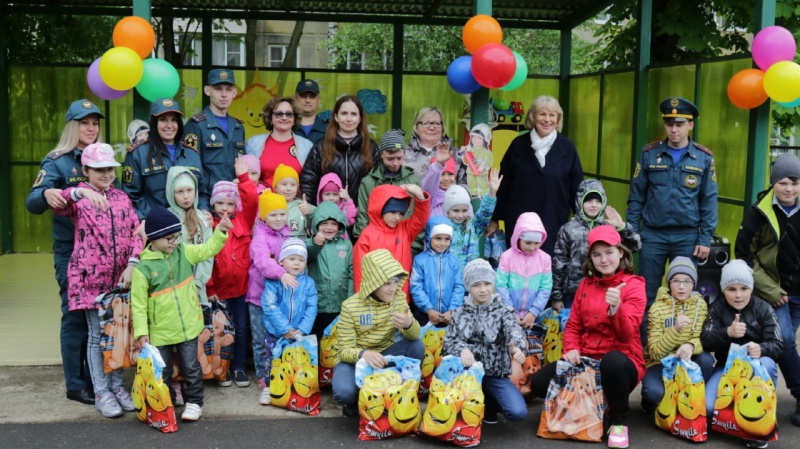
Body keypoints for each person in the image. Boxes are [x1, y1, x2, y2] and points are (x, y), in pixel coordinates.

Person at [530, 225, 646, 449]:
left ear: (621, 252)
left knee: (612, 362)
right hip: (587, 357)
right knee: (539, 383)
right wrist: (571, 349)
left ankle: (619, 421)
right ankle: (595, 403)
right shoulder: (585, 284)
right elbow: (573, 325)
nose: (603, 260)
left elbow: (627, 334)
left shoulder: (634, 284)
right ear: (590, 258)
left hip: (623, 360)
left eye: (609, 252)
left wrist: (616, 308)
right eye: (597, 255)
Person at [52, 143, 142, 418]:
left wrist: (132, 264)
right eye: (99, 169)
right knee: (95, 337)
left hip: (119, 281)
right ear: (86, 170)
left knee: (118, 335)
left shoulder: (122, 198)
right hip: (89, 280)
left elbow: (137, 233)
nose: (106, 174)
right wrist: (80, 192)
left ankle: (116, 387)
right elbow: (60, 203)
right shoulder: (79, 199)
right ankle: (101, 392)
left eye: (110, 169)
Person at [26, 98, 105, 405]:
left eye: (95, 123)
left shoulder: (102, 157)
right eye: (85, 123)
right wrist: (47, 192)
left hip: (101, 253)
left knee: (98, 318)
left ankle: (97, 378)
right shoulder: (57, 161)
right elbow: (32, 202)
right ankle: (76, 384)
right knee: (74, 318)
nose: (91, 128)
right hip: (71, 252)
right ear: (73, 126)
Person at [132, 206, 231, 422]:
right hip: (160, 331)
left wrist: (221, 231)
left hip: (188, 325)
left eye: (177, 236)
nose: (174, 242)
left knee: (191, 367)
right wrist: (141, 332)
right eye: (169, 238)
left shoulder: (184, 251)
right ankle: (165, 404)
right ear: (154, 238)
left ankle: (194, 402)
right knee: (163, 371)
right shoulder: (143, 268)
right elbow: (138, 305)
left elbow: (208, 249)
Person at [626, 97, 718, 318]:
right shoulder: (649, 154)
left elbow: (709, 200)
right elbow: (636, 196)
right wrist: (632, 233)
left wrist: (705, 238)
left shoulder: (703, 158)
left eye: (679, 124)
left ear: (690, 125)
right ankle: (646, 338)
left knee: (683, 294)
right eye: (669, 124)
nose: (674, 130)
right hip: (653, 236)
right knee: (646, 294)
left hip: (687, 237)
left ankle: (680, 339)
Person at [734, 153, 800, 427]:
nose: (789, 189)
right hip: (775, 293)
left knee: (783, 344)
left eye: (795, 183)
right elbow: (743, 255)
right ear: (773, 183)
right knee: (785, 340)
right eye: (783, 183)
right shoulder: (758, 212)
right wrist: (771, 290)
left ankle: (762, 390)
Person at [332, 249, 424, 417]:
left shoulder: (398, 298)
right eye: (386, 283)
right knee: (344, 393)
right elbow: (343, 350)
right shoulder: (350, 306)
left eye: (395, 282)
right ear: (373, 283)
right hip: (357, 358)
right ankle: (356, 401)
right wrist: (364, 354)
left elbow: (414, 336)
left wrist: (408, 324)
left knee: (416, 345)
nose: (393, 288)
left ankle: (400, 393)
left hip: (386, 353)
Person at [700, 260, 782, 448]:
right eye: (732, 289)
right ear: (723, 290)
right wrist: (727, 332)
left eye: (744, 288)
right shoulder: (717, 308)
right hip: (725, 370)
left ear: (751, 288)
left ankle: (759, 421)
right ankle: (735, 416)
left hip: (756, 369)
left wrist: (761, 349)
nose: (738, 295)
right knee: (708, 408)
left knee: (768, 363)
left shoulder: (764, 308)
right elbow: (705, 340)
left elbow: (778, 344)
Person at [488, 95, 584, 255]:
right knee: (519, 266)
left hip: (554, 221)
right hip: (519, 223)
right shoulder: (518, 145)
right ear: (533, 117)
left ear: (558, 119)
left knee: (549, 267)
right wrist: (494, 218)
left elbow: (577, 187)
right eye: (542, 114)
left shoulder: (568, 148)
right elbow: (504, 184)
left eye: (552, 115)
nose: (547, 119)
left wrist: (582, 221)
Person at [443, 259, 528, 424]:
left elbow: (513, 330)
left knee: (517, 412)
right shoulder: (459, 313)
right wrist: (462, 350)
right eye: (476, 285)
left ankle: (489, 405)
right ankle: (470, 408)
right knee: (447, 413)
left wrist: (517, 348)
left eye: (487, 284)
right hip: (466, 375)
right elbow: (448, 342)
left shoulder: (504, 311)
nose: (483, 290)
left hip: (494, 375)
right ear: (468, 287)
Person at [206, 158, 259, 389]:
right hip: (219, 291)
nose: (225, 208)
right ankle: (222, 368)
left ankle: (238, 367)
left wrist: (244, 178)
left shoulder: (244, 220)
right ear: (213, 204)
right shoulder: (208, 225)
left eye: (230, 203)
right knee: (219, 331)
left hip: (242, 289)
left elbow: (252, 198)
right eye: (220, 203)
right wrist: (209, 288)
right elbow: (206, 259)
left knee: (241, 328)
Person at [640, 257, 714, 414]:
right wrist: (675, 330)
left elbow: (702, 338)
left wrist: (690, 345)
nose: (681, 286)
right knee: (653, 393)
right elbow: (655, 353)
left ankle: (692, 398)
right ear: (669, 283)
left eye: (687, 281)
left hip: (688, 358)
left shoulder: (700, 305)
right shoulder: (657, 309)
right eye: (676, 281)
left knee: (706, 360)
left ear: (694, 284)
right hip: (660, 362)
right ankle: (651, 402)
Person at [552, 179, 641, 310]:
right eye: (588, 201)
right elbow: (559, 264)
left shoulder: (610, 226)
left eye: (598, 201)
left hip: (604, 292)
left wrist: (622, 227)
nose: (594, 205)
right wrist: (557, 296)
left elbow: (635, 246)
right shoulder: (568, 229)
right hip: (573, 294)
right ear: (580, 201)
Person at [123, 98, 203, 220]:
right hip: (155, 224)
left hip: (189, 224)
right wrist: (147, 220)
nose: (169, 126)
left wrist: (204, 210)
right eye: (163, 120)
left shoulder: (191, 153)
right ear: (154, 123)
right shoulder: (138, 153)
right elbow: (131, 196)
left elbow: (202, 191)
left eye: (174, 120)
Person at [260, 238, 318, 403]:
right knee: (273, 359)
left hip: (298, 332)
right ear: (281, 261)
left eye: (301, 260)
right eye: (292, 259)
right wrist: (285, 329)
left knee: (294, 360)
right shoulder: (273, 281)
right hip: (275, 331)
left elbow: (311, 307)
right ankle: (269, 387)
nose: (297, 263)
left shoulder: (309, 283)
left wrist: (302, 329)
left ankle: (291, 387)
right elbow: (270, 305)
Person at [246, 192, 291, 402]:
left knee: (278, 335)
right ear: (264, 216)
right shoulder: (260, 237)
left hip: (279, 297)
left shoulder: (286, 235)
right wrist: (281, 273)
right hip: (259, 296)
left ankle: (278, 371)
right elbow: (262, 262)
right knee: (260, 338)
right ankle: (263, 375)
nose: (279, 219)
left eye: (282, 214)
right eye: (273, 215)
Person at [300, 95, 379, 209]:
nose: (348, 119)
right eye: (344, 113)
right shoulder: (321, 146)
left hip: (362, 215)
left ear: (360, 118)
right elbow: (309, 181)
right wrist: (312, 213)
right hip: (328, 216)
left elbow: (378, 184)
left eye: (354, 114)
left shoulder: (371, 147)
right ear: (336, 117)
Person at [183, 68, 246, 210]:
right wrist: (201, 206)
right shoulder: (195, 125)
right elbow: (191, 170)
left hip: (233, 201)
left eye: (228, 89)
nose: (224, 94)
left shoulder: (238, 127)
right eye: (218, 89)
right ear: (207, 90)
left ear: (234, 93)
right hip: (207, 201)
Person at [353, 184, 430, 299]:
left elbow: (420, 219)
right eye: (393, 212)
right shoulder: (367, 235)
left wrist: (420, 197)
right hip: (376, 300)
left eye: (401, 213)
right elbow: (360, 271)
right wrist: (364, 299)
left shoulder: (405, 230)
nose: (397, 217)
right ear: (380, 208)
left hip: (401, 297)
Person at [353, 129, 423, 251]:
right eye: (390, 158)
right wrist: (365, 247)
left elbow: (418, 217)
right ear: (381, 154)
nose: (395, 163)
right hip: (375, 246)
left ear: (404, 154)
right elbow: (363, 217)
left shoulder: (413, 181)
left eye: (399, 158)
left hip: (405, 245)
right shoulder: (369, 182)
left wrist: (413, 249)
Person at [305, 201, 354, 341]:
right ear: (316, 224)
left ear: (339, 225)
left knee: (338, 340)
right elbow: (307, 256)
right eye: (324, 223)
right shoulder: (312, 243)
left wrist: (350, 300)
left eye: (333, 224)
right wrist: (315, 243)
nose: (329, 227)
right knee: (317, 338)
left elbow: (352, 271)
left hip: (341, 302)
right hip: (319, 304)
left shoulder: (346, 244)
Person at [496, 212, 552, 329]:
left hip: (534, 316)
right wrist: (510, 311)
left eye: (537, 243)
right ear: (518, 238)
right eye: (528, 243)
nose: (532, 247)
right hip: (508, 313)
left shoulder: (545, 259)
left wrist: (533, 312)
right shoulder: (507, 257)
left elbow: (546, 287)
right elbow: (500, 285)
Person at [166, 167, 213, 305]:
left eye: (189, 190)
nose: (186, 196)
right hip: (172, 288)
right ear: (171, 193)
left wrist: (197, 284)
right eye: (180, 192)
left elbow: (208, 254)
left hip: (197, 289)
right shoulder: (166, 218)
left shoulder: (203, 219)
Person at [245, 96, 312, 188]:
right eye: (279, 114)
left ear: (294, 119)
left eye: (289, 114)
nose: (284, 117)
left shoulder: (307, 146)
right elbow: (247, 179)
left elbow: (310, 181)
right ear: (270, 118)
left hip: (295, 197)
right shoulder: (253, 143)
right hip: (262, 196)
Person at [409, 217, 465, 326]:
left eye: (447, 239)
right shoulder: (420, 260)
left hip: (449, 315)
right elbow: (416, 287)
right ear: (429, 237)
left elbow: (458, 286)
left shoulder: (454, 260)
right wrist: (428, 309)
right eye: (438, 238)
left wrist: (452, 310)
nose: (442, 243)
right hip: (424, 314)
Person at [443, 170, 501, 269]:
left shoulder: (473, 226)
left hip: (470, 274)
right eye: (456, 211)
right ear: (448, 211)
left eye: (464, 210)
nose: (460, 215)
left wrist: (492, 193)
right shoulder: (442, 228)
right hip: (449, 274)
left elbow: (484, 214)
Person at [404, 106, 467, 187]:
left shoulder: (456, 155)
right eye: (425, 123)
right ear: (416, 127)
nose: (431, 128)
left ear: (442, 128)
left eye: (436, 123)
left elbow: (467, 186)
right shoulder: (403, 155)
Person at [273, 164, 315, 238]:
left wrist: (310, 210)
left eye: (293, 185)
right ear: (275, 187)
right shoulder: (270, 204)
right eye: (284, 184)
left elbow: (320, 217)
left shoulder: (301, 205)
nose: (288, 188)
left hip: (300, 243)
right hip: (277, 243)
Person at [421, 149, 458, 216]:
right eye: (442, 174)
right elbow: (428, 186)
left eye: (450, 174)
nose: (446, 179)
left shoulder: (460, 194)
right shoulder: (431, 195)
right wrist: (439, 164)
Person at [294, 79, 327, 143]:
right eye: (303, 96)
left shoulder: (329, 129)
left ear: (319, 100)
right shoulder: (287, 127)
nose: (308, 100)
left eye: (312, 96)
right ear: (295, 98)